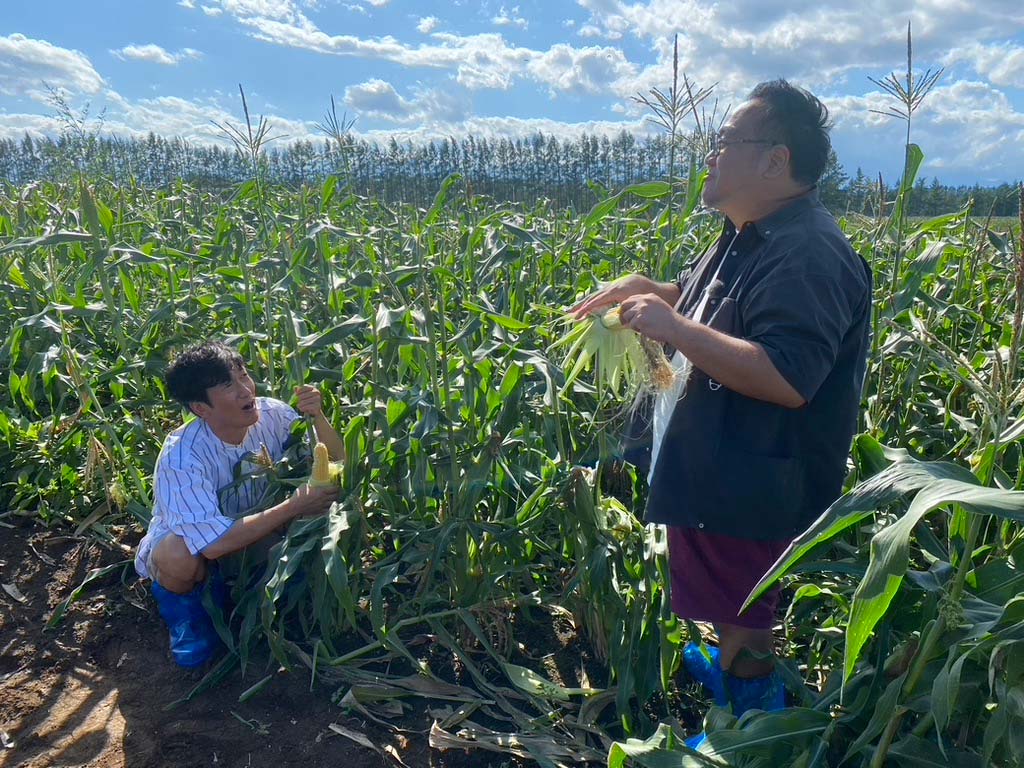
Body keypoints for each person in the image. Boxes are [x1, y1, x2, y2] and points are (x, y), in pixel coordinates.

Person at [571, 80, 872, 742]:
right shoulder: (746, 234)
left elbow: (789, 377)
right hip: (717, 462)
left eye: (725, 142)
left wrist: (673, 329)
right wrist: (657, 292)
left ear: (775, 160)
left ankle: (752, 725)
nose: (710, 154)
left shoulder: (810, 252)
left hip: (755, 477)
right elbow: (708, 298)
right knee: (726, 596)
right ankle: (736, 680)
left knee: (747, 610)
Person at [134, 341, 343, 667]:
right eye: (228, 386)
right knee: (176, 556)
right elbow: (213, 544)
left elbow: (335, 460)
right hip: (210, 546)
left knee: (324, 508)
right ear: (201, 408)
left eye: (243, 375)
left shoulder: (273, 415)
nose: (246, 390)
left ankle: (259, 597)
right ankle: (192, 615)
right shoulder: (182, 456)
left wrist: (317, 417)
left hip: (259, 532)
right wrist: (292, 506)